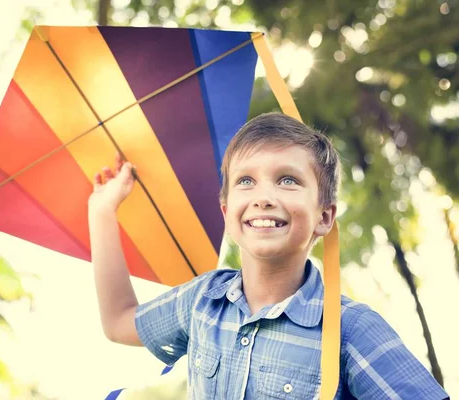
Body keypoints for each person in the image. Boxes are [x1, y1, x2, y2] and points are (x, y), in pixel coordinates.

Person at [87, 112, 449, 399]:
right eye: (246, 181)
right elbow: (119, 321)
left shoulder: (349, 329)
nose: (263, 196)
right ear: (227, 212)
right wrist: (102, 212)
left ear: (324, 217)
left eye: (288, 179)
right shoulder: (200, 302)